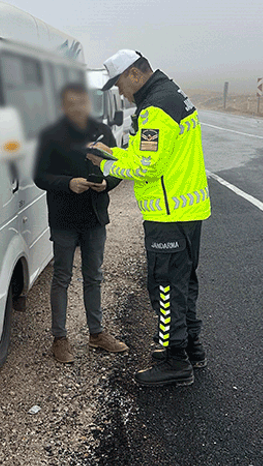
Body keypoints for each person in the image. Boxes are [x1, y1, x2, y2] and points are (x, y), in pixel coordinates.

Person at [87, 50, 211, 387]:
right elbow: (148, 154)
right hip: (186, 210)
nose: (120, 93)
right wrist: (113, 152)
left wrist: (105, 166)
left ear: (134, 74)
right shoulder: (172, 96)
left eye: (119, 85)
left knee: (166, 289)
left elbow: (147, 167)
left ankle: (174, 362)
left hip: (168, 215)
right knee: (183, 284)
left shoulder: (155, 109)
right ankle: (192, 349)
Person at [34, 83, 129, 364]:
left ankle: (96, 334)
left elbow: (117, 169)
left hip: (95, 217)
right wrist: (68, 183)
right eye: (72, 104)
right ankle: (59, 338)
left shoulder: (103, 132)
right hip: (64, 219)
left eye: (82, 103)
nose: (78, 109)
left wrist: (106, 185)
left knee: (94, 276)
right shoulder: (50, 135)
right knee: (62, 277)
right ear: (63, 107)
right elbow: (39, 176)